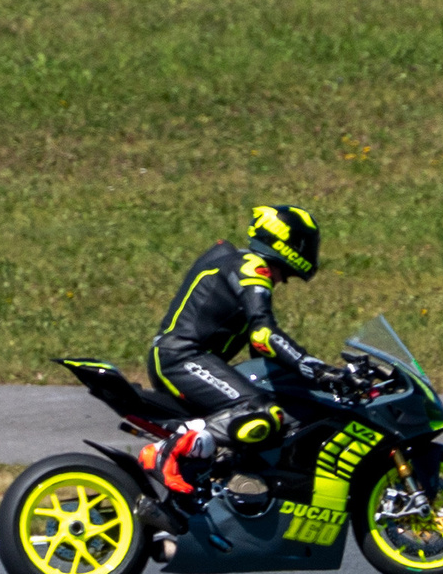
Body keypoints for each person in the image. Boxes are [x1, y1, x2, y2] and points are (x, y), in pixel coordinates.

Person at [138, 204, 332, 500]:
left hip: (189, 358)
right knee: (258, 413)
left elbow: (261, 350)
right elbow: (263, 334)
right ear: (289, 243)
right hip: (180, 358)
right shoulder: (251, 267)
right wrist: (314, 367)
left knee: (275, 408)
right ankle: (167, 453)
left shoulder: (242, 266)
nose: (283, 280)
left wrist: (313, 382)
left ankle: (223, 479)